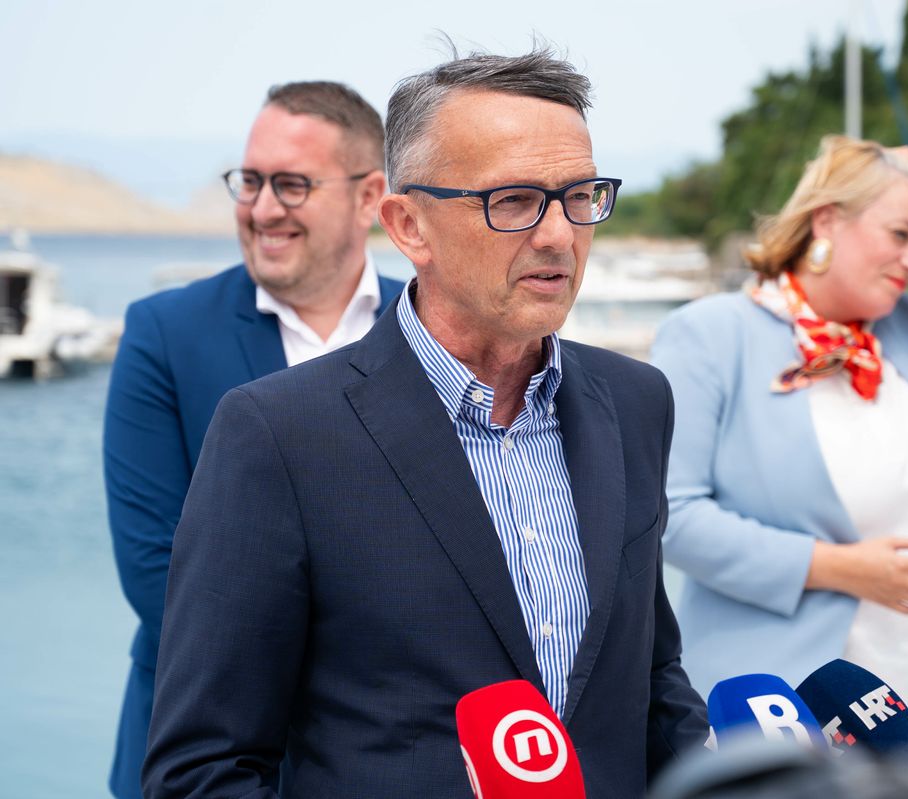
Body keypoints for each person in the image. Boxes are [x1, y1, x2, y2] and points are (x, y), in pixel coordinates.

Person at [141, 49, 708, 798]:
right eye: (514, 200)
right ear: (409, 226)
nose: (558, 235)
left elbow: (650, 676)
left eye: (580, 196)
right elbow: (203, 769)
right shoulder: (279, 436)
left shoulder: (636, 401)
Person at [652, 135, 908, 788]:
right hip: (784, 698)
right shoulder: (710, 333)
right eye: (900, 234)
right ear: (826, 220)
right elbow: (673, 514)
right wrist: (840, 567)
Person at [102, 80, 404, 799]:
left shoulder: (427, 329)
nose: (263, 208)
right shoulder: (163, 334)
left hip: (392, 758)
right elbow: (155, 571)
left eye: (292, 185)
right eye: (251, 181)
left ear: (370, 197)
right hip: (201, 753)